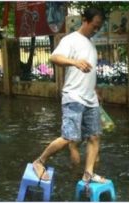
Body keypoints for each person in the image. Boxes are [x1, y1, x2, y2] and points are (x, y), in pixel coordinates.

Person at [32, 7, 106, 183]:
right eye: (94, 26)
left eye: (99, 27)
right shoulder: (70, 39)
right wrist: (74, 62)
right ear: (84, 19)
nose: (95, 30)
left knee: (94, 136)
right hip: (73, 96)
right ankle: (39, 161)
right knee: (69, 138)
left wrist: (94, 90)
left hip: (90, 99)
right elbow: (54, 58)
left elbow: (89, 72)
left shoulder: (91, 44)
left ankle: (88, 173)